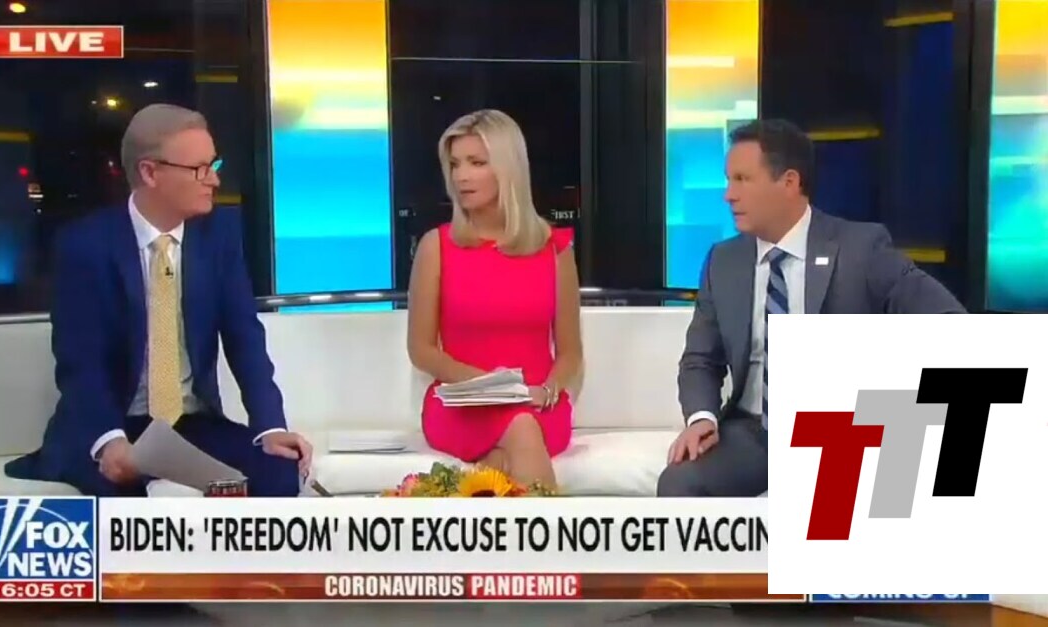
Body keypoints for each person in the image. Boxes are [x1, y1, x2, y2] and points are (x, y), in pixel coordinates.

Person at [5, 103, 313, 497]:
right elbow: (81, 363)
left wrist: (270, 427)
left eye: (214, 165)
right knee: (126, 493)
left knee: (278, 474)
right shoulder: (85, 246)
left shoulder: (218, 236)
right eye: (199, 169)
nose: (214, 180)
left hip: (190, 422)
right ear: (150, 172)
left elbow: (245, 340)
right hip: (113, 424)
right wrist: (109, 440)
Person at [657, 119, 966, 497]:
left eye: (742, 180)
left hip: (841, 431)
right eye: (728, 180)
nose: (729, 195)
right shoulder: (724, 261)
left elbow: (947, 321)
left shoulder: (859, 249)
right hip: (753, 432)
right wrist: (701, 418)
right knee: (679, 482)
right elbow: (700, 360)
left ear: (789, 182)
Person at [406, 109, 583, 490]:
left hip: (537, 403)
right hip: (462, 406)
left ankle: (487, 486)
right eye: (455, 164)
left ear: (508, 169)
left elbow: (571, 353)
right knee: (520, 428)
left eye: (476, 163)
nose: (461, 176)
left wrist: (547, 391)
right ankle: (553, 529)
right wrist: (492, 387)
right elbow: (421, 350)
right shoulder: (437, 247)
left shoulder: (554, 249)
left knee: (520, 429)